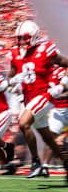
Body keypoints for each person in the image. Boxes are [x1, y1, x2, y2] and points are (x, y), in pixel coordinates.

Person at [8, 20, 68, 179]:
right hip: (29, 98)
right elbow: (11, 74)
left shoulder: (45, 49)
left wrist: (62, 85)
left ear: (34, 36)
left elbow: (67, 64)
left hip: (45, 95)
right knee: (48, 137)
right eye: (19, 38)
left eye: (24, 38)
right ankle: (66, 161)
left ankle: (36, 162)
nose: (21, 42)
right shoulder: (15, 53)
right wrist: (12, 82)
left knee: (23, 122)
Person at [41, 66, 68, 177]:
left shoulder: (63, 71)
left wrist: (60, 95)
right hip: (57, 110)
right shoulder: (47, 74)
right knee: (50, 137)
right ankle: (45, 166)